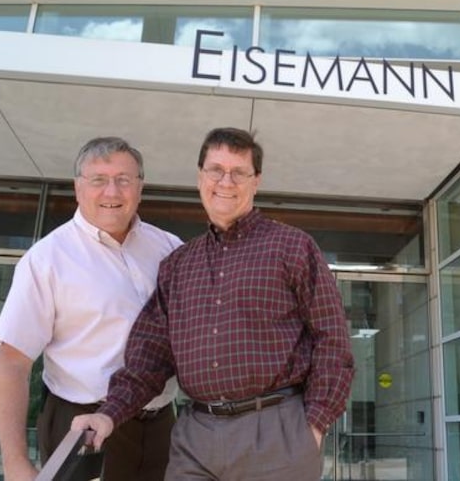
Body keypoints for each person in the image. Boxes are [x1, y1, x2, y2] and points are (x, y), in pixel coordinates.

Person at [72, 127, 355, 480]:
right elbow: (149, 357)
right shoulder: (178, 265)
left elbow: (333, 341)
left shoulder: (292, 247)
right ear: (200, 177)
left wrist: (314, 425)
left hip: (277, 433)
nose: (226, 181)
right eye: (216, 170)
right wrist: (108, 414)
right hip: (196, 439)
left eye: (239, 172)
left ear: (256, 181)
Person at [0, 136, 182, 481]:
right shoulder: (47, 259)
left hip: (161, 425)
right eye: (99, 180)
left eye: (124, 180)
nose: (112, 192)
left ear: (140, 187)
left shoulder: (169, 248)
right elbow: (12, 363)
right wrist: (13, 462)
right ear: (78, 187)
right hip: (80, 425)